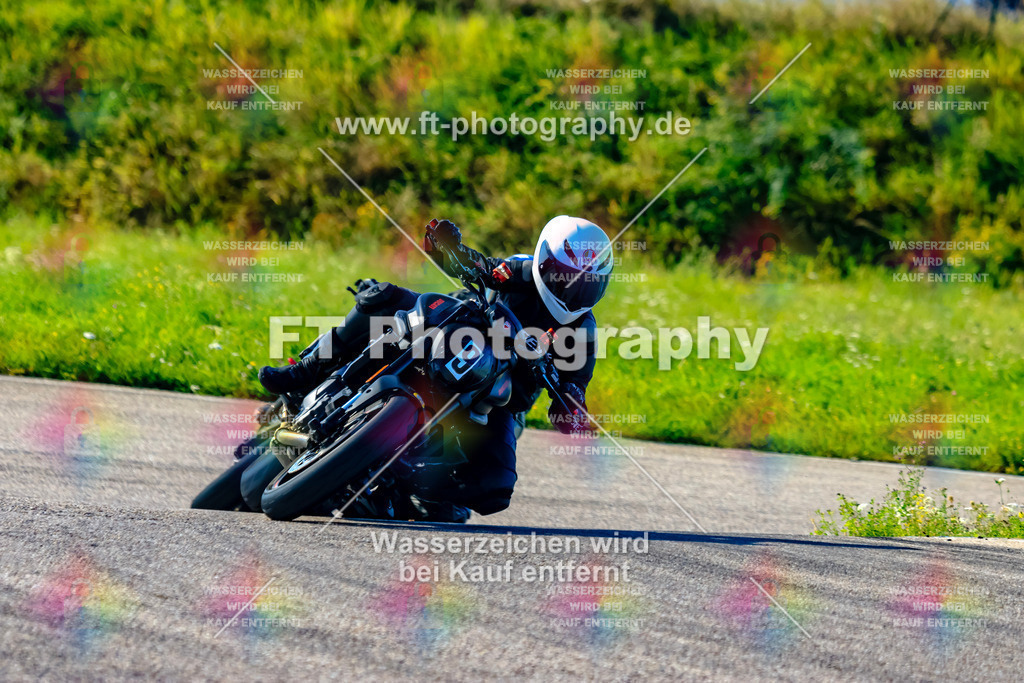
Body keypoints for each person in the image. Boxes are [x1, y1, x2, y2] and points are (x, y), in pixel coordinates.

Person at [258, 215, 614, 518]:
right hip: (460, 330)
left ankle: (415, 488)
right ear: (544, 263)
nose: (574, 291)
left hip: (498, 400)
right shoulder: (521, 271)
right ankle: (306, 371)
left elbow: (575, 389)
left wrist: (572, 413)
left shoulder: (584, 333)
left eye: (587, 283)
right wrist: (449, 248)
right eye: (566, 278)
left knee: (496, 488)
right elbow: (482, 268)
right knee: (380, 297)